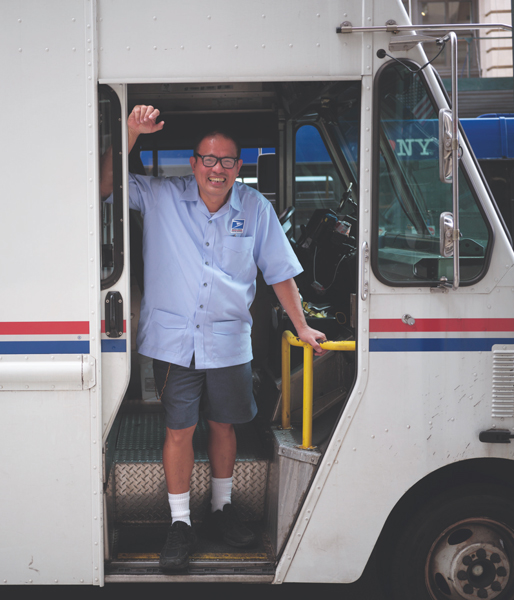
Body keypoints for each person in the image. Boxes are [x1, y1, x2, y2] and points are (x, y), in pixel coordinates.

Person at [101, 105, 326, 572]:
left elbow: (280, 272)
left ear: (238, 167)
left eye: (227, 161)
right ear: (194, 163)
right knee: (178, 430)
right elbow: (104, 187)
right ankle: (180, 523)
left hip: (227, 342)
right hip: (173, 341)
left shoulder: (255, 208)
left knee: (225, 426)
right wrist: (130, 133)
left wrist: (301, 325)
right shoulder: (161, 196)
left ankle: (221, 510)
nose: (217, 169)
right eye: (208, 159)